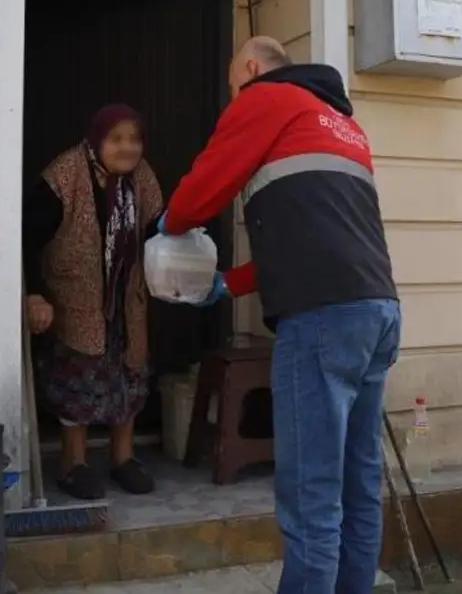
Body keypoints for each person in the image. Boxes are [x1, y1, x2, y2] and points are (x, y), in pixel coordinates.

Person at [160, 37, 401, 593]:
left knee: (311, 495)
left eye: (232, 88)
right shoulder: (344, 125)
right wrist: (228, 284)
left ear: (249, 68)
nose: (233, 101)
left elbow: (201, 193)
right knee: (358, 487)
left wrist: (167, 227)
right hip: (377, 311)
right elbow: (314, 240)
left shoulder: (265, 98)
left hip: (321, 319)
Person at [23, 103, 164, 501]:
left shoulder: (142, 177)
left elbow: (158, 226)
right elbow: (27, 237)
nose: (127, 148)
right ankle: (73, 464)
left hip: (126, 299)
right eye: (116, 139)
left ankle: (123, 458)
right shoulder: (65, 174)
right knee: (77, 381)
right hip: (75, 299)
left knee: (129, 374)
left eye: (134, 139)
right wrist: (33, 294)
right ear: (97, 140)